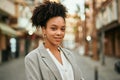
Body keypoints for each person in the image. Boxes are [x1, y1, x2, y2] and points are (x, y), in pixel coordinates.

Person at [25, 1, 84, 80]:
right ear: (44, 30)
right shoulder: (33, 58)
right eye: (53, 28)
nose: (59, 33)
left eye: (62, 29)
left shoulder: (69, 55)